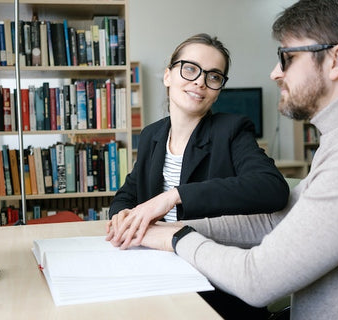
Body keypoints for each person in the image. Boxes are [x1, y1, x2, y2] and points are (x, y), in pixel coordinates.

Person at [107, 1, 338, 319]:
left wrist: (176, 237)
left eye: (286, 58)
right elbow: (277, 220)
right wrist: (169, 227)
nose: (275, 73)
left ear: (337, 60)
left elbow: (258, 280)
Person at [107, 33, 290, 318]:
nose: (200, 82)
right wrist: (122, 215)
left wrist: (174, 197)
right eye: (190, 69)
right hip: (154, 272)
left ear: (218, 90)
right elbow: (127, 194)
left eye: (214, 76)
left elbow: (272, 188)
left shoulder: (231, 130)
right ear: (168, 75)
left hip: (215, 286)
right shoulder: (151, 135)